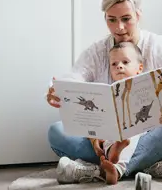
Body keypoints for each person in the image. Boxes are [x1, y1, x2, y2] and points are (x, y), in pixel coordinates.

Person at [46, 0, 162, 183]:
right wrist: (58, 90)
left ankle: (102, 170)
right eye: (112, 20)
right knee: (57, 132)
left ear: (138, 15)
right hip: (102, 136)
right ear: (105, 18)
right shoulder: (97, 51)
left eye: (126, 19)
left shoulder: (158, 46)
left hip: (149, 133)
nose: (119, 28)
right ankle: (151, 164)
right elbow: (75, 78)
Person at [58, 41, 145, 185]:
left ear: (139, 68)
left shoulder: (144, 88)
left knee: (132, 134)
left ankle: (112, 167)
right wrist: (94, 136)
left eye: (125, 62)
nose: (119, 66)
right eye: (114, 64)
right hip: (112, 132)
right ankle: (113, 158)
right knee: (107, 135)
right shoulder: (106, 91)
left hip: (137, 129)